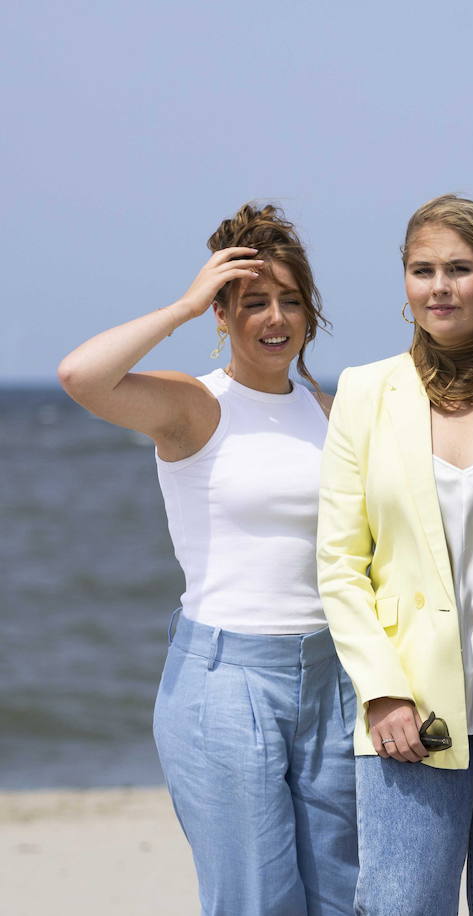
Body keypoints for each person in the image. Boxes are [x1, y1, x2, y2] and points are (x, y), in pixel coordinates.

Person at [57, 204, 357, 914]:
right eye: (254, 303)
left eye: (291, 301)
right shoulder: (194, 405)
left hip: (333, 680)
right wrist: (184, 306)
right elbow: (80, 375)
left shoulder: (330, 410)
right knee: (257, 902)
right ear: (223, 316)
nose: (276, 318)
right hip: (229, 683)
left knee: (348, 898)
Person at [316, 195, 473, 915]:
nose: (439, 286)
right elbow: (339, 564)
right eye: (422, 270)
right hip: (408, 710)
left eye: (459, 268)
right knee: (399, 903)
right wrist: (381, 690)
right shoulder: (365, 393)